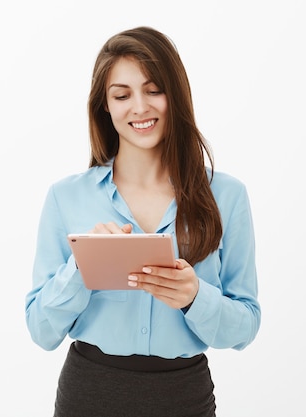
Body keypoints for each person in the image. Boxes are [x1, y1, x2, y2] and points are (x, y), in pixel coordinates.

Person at [24, 26, 261, 417]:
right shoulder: (66, 197)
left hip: (185, 397)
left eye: (154, 90)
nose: (139, 107)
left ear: (175, 95)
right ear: (105, 106)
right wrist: (82, 268)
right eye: (122, 95)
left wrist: (194, 297)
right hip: (89, 394)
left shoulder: (227, 196)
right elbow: (41, 331)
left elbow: (245, 327)